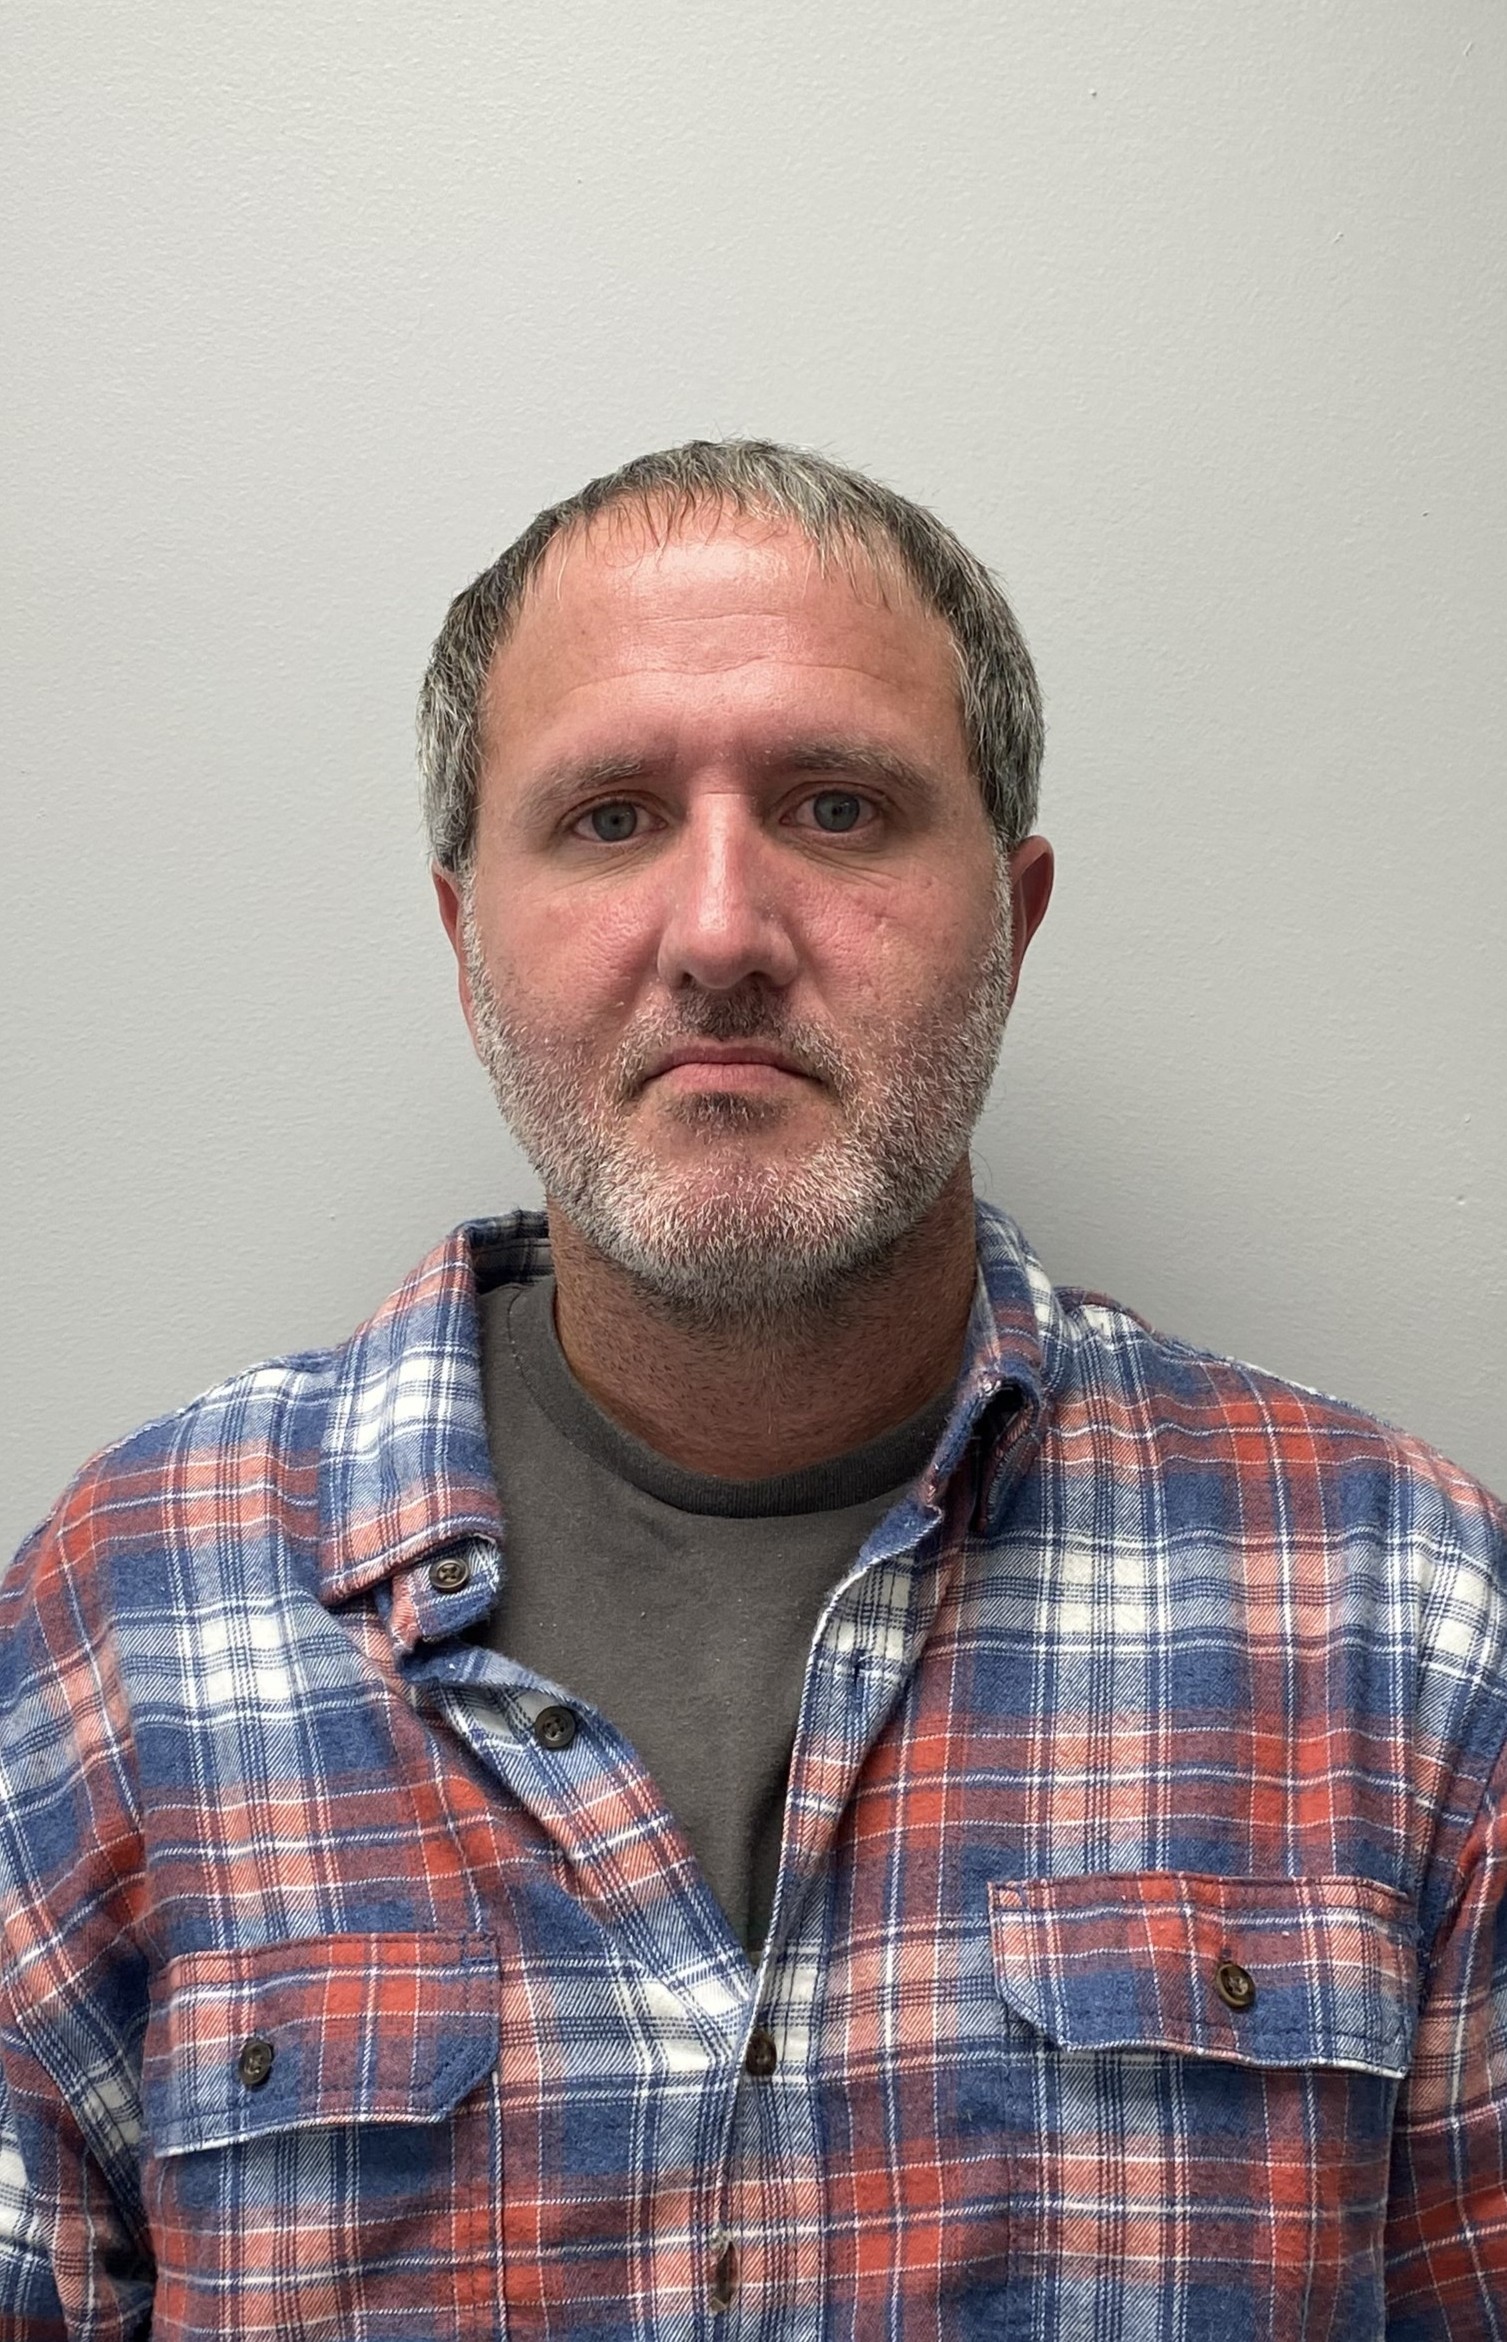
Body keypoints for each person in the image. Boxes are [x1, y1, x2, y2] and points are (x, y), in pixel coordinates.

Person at [1, 439, 1504, 2341]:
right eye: (611, 817)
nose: (720, 931)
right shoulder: (126, 1618)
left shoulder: (1401, 1612)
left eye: (837, 807)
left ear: (1015, 915)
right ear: (468, 942)